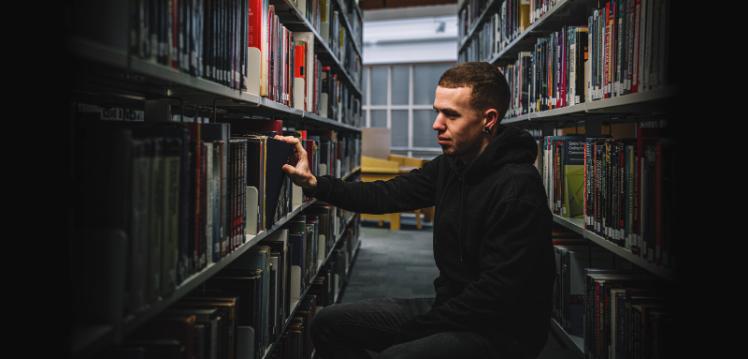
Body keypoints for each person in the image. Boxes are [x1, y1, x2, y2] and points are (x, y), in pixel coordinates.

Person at [274, 62, 555, 359]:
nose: (436, 124)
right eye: (437, 111)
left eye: (451, 115)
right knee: (328, 324)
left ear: (489, 119)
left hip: (501, 330)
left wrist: (413, 332)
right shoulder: (452, 166)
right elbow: (386, 194)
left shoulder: (518, 189)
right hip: (450, 306)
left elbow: (495, 296)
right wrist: (315, 183)